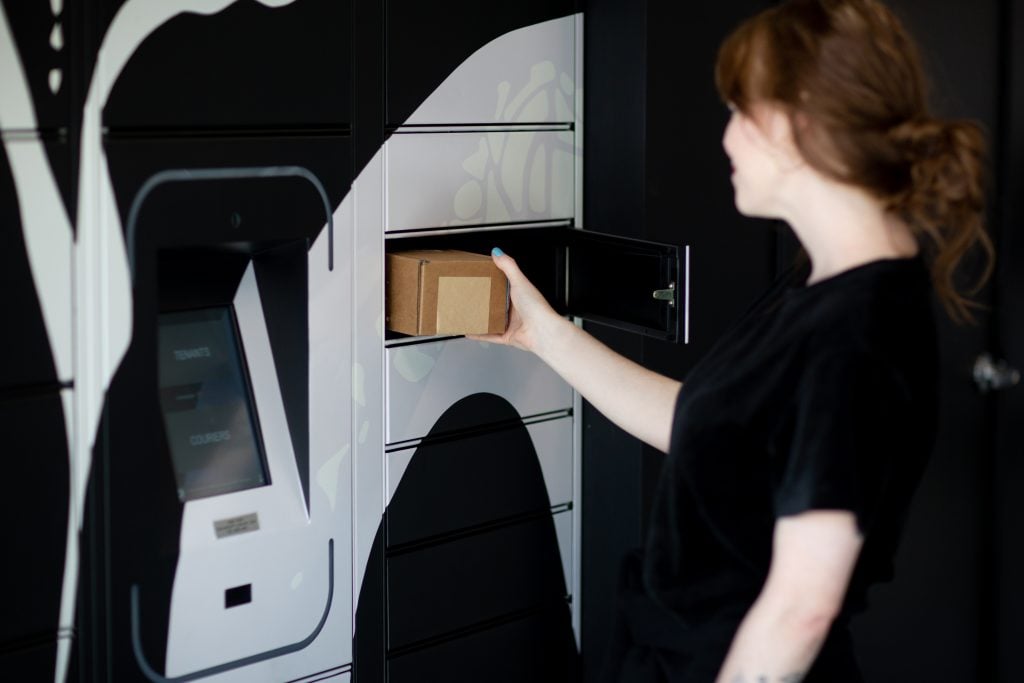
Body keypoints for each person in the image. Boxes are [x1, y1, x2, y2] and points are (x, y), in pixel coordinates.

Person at [470, 0, 996, 680]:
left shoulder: (858, 335)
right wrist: (540, 335)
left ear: (791, 123)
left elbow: (802, 605)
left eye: (739, 114)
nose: (727, 140)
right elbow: (705, 426)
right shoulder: (818, 287)